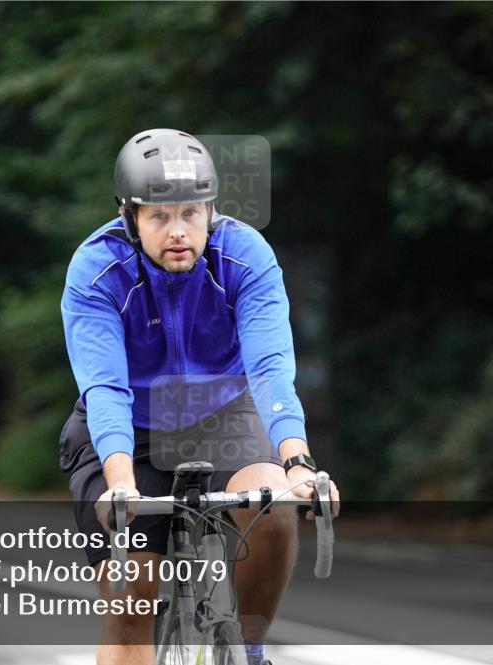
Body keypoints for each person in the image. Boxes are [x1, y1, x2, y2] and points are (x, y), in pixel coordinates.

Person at [60, 129, 340, 665]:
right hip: (127, 429)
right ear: (130, 217)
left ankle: (250, 648)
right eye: (159, 217)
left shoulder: (244, 255)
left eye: (191, 213)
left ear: (211, 210)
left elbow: (269, 367)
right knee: (129, 602)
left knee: (275, 511)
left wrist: (297, 461)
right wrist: (120, 485)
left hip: (224, 413)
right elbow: (105, 387)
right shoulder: (97, 270)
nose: (178, 231)